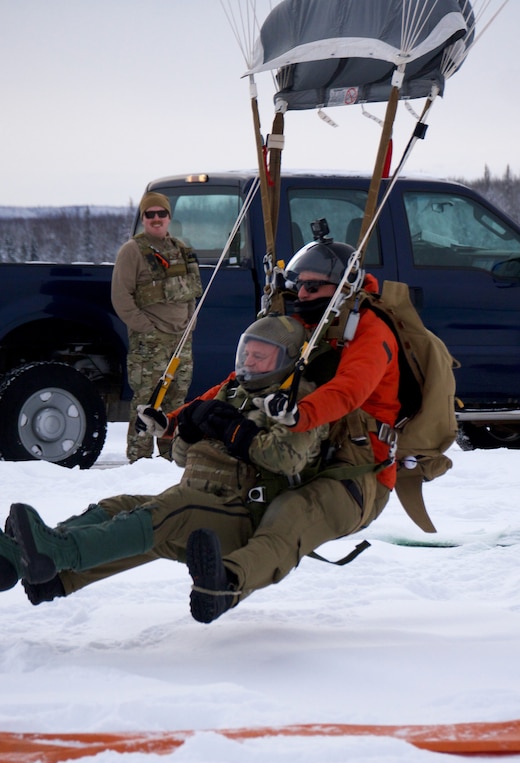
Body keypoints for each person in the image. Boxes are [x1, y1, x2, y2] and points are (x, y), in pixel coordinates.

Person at [0, 231, 401, 625]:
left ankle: (225, 582)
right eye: (300, 287)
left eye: (315, 287)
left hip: (357, 472)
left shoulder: (363, 333)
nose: (303, 295)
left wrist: (291, 417)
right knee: (127, 508)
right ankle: (42, 565)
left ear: (342, 286)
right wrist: (178, 423)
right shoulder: (294, 340)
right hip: (256, 476)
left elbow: (347, 391)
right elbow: (226, 390)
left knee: (288, 514)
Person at [0, 315, 329, 620]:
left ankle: (59, 552)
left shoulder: (297, 400)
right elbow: (185, 458)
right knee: (121, 507)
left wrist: (235, 432)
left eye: (261, 357)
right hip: (202, 496)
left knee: (169, 511)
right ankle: (41, 571)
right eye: (247, 355)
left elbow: (287, 459)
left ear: (286, 359)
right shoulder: (234, 391)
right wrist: (189, 431)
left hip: (243, 513)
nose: (249, 363)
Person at [111, 192, 202, 463]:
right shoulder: (132, 251)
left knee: (176, 403)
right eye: (150, 214)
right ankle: (139, 463)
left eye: (161, 214)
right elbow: (121, 297)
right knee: (146, 402)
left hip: (180, 340)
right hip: (150, 342)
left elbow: (191, 292)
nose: (156, 219)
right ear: (143, 218)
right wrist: (146, 328)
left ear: (169, 217)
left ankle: (170, 461)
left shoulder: (180, 249)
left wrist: (189, 324)